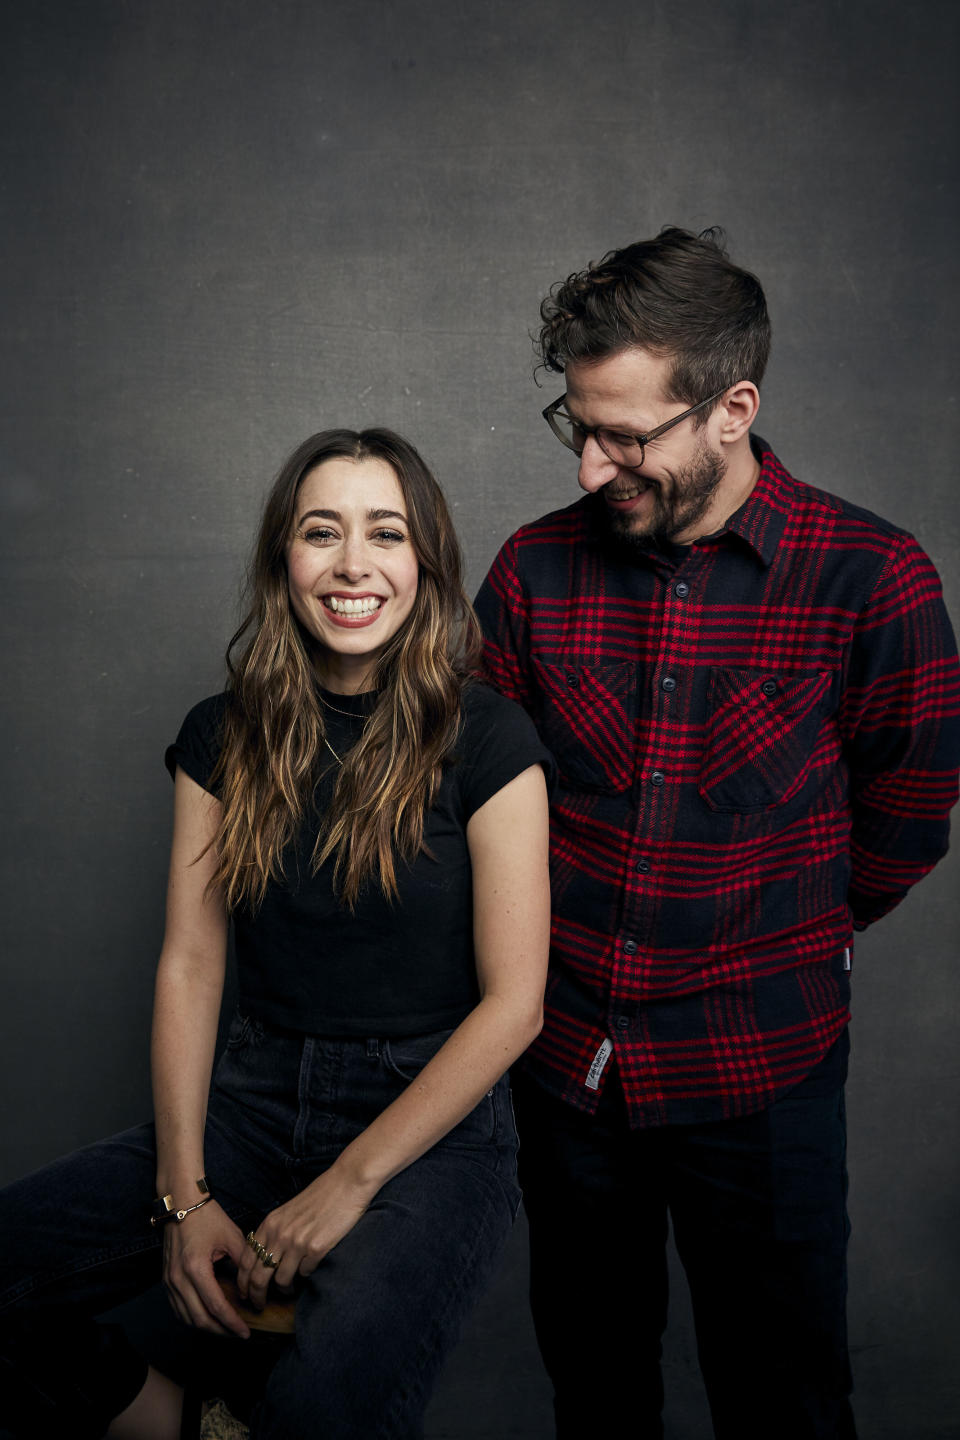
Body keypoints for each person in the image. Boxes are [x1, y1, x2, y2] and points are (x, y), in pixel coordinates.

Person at [475, 227, 960, 1440]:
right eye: (577, 426)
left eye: (626, 435)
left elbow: (909, 813)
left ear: (733, 407)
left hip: (765, 1071)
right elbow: (471, 806)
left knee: (786, 1399)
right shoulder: (531, 573)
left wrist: (782, 935)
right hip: (569, 1072)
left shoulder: (874, 578)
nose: (593, 466)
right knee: (596, 1393)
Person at [0, 428, 552, 1440]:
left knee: (318, 1406)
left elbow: (516, 1005)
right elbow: (191, 961)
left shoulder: (490, 740)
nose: (352, 564)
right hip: (251, 1106)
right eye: (320, 532)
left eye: (385, 533)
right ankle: (192, 1423)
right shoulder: (221, 733)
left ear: (423, 563)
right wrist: (183, 1197)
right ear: (281, 562)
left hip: (431, 1125)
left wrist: (345, 1186)